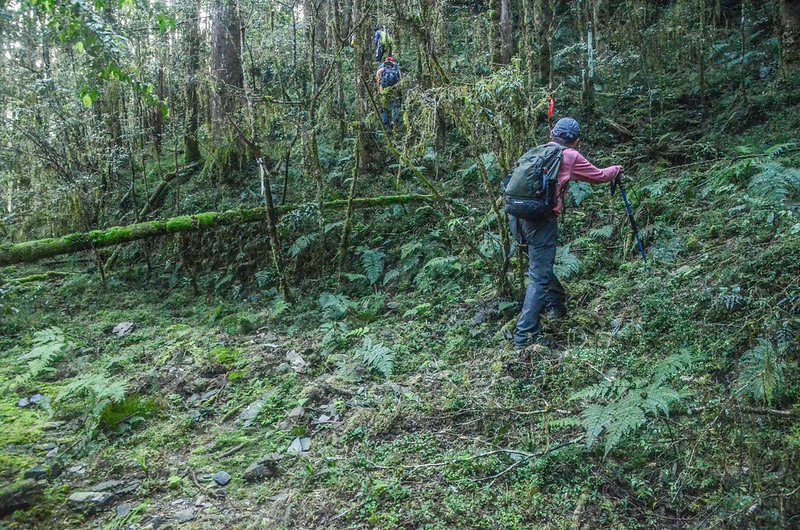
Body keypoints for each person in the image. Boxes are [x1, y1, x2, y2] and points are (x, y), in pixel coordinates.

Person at [508, 117, 623, 350]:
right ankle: (524, 338)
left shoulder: (537, 151)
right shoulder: (569, 156)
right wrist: (617, 169)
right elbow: (598, 176)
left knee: (539, 268)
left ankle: (556, 303)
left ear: (553, 134)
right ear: (576, 141)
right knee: (539, 276)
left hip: (516, 216)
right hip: (541, 219)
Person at [375, 57, 402, 130]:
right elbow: (400, 79)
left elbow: (378, 78)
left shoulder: (382, 67)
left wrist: (380, 89)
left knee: (383, 107)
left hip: (384, 89)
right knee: (394, 105)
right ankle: (396, 122)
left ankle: (386, 125)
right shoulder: (396, 67)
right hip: (394, 89)